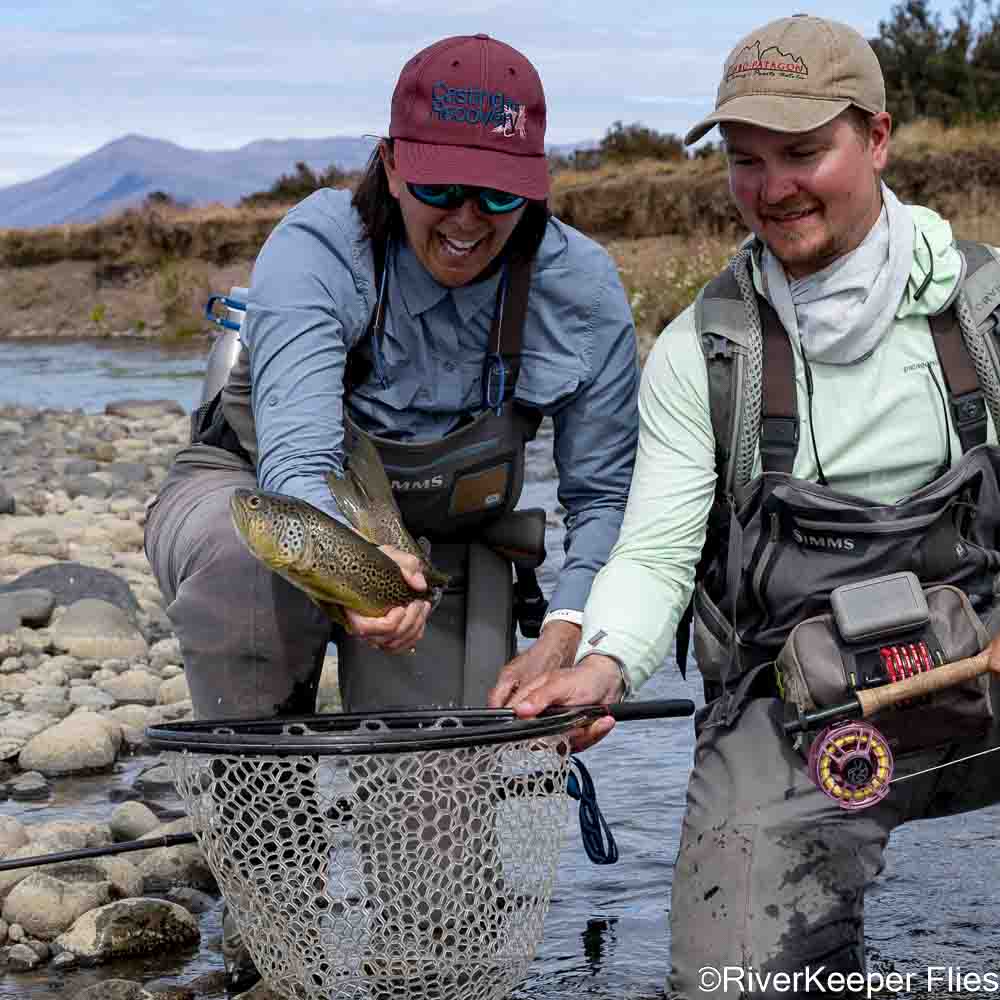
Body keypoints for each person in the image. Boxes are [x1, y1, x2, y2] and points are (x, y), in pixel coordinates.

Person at [505, 14, 1000, 998]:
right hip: (796, 723)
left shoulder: (986, 312)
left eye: (803, 152)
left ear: (879, 137)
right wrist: (602, 662)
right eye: (744, 160)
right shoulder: (704, 350)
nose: (771, 189)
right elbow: (651, 555)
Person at [144, 33, 637, 989]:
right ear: (389, 165)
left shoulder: (581, 290)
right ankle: (270, 923)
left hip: (451, 544)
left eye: (499, 196)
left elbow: (604, 497)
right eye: (441, 188)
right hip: (257, 498)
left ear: (534, 190)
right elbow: (296, 462)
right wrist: (361, 575)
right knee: (249, 575)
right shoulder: (318, 244)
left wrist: (577, 634)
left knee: (439, 892)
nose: (467, 219)